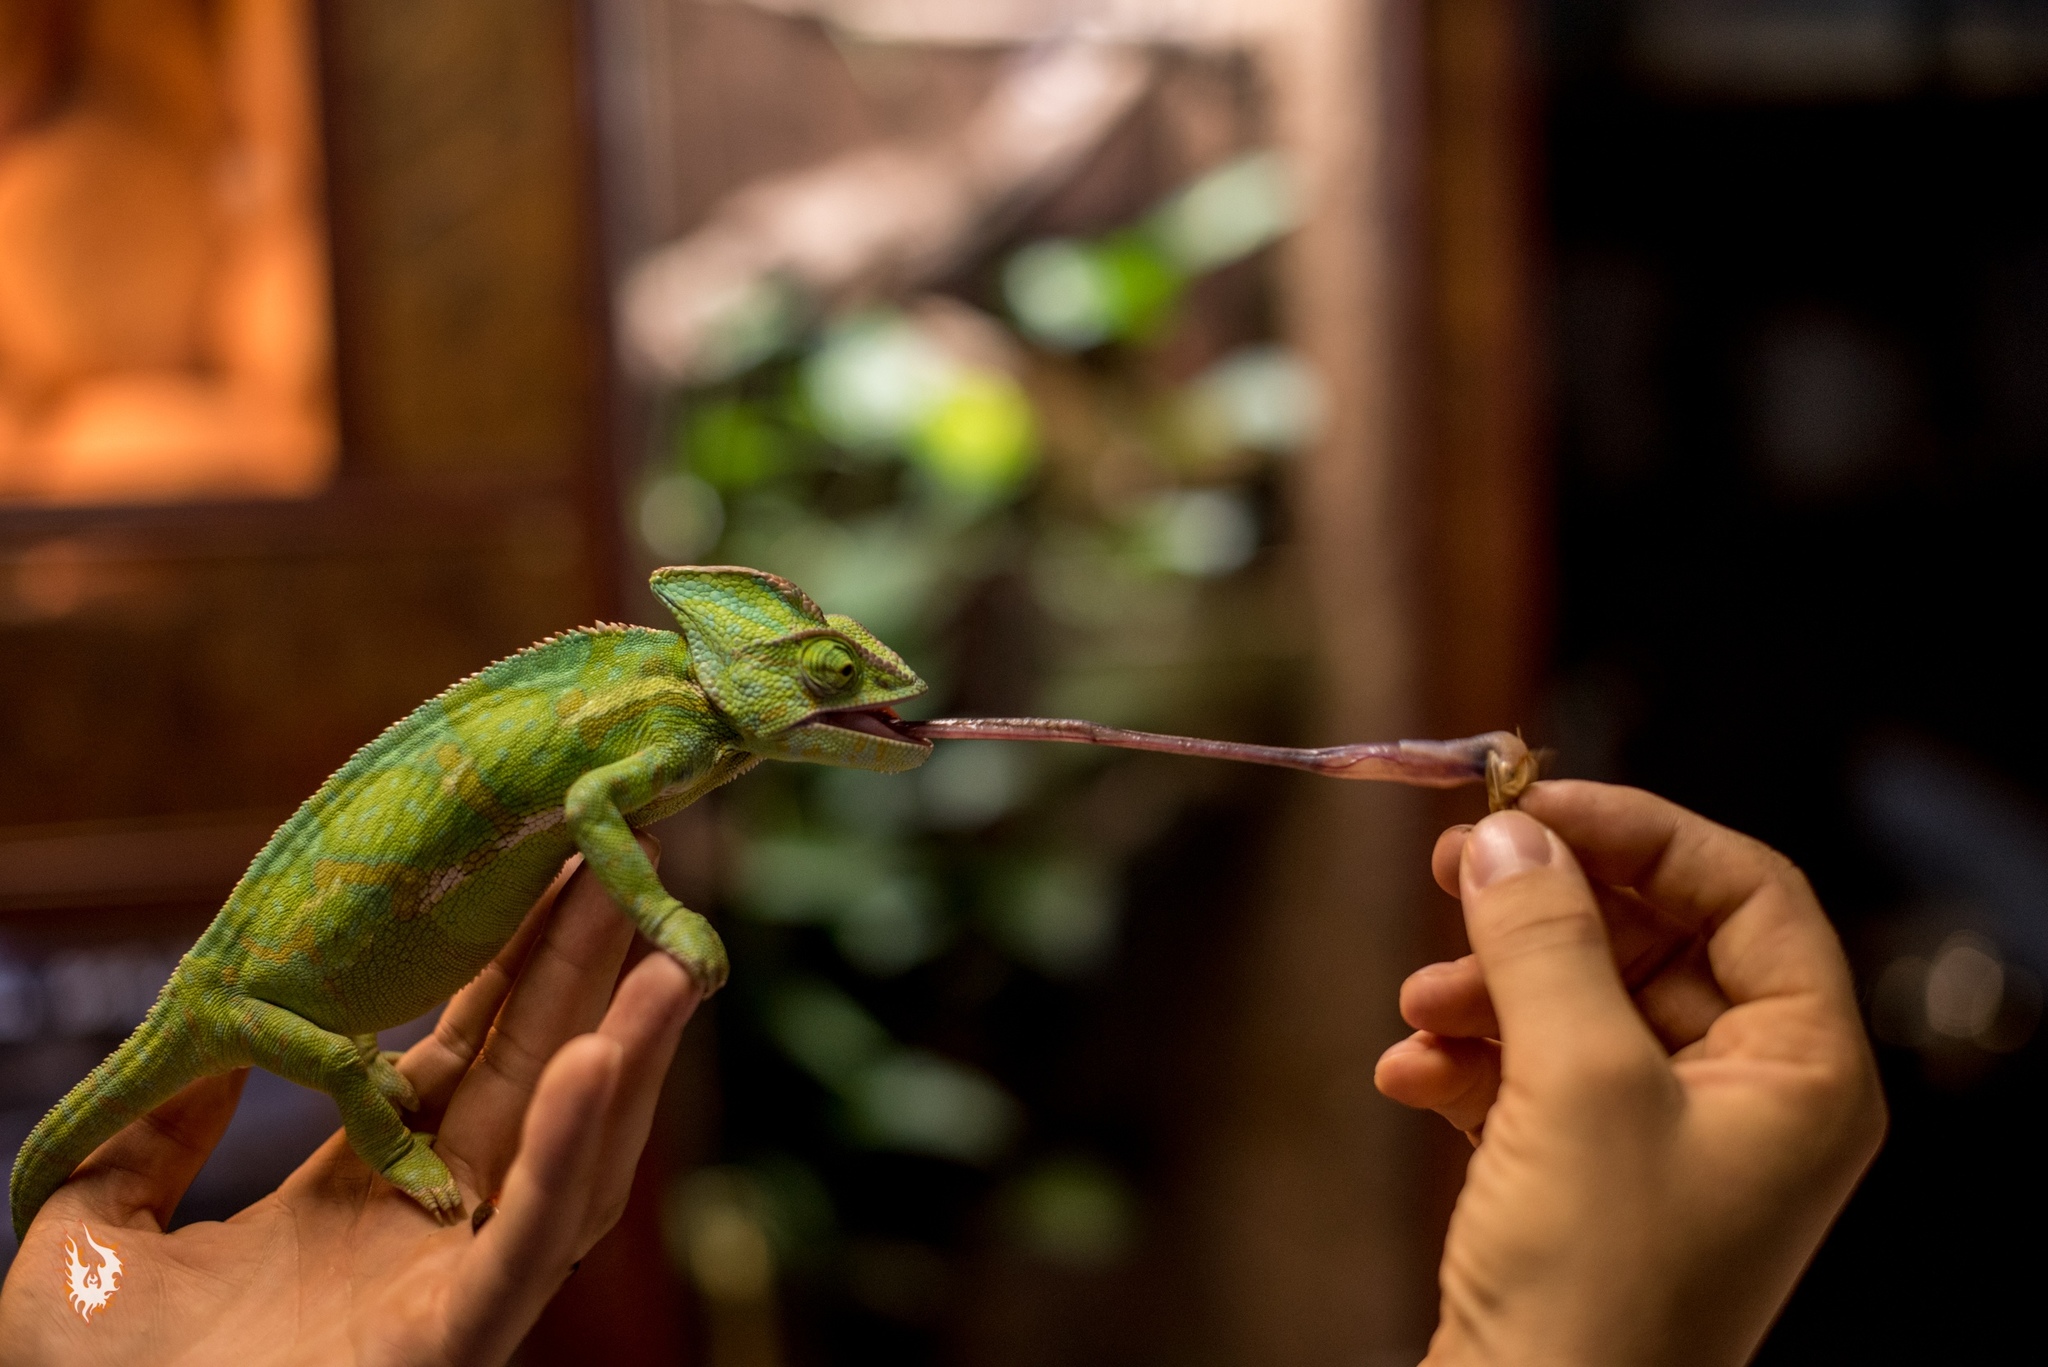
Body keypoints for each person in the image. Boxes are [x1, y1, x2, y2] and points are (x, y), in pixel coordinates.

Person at [0, 783, 1885, 1365]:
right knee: (320, 1070)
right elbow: (583, 813)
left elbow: (87, 1281)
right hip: (265, 991)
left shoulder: (83, 1308)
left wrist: (95, 1317)